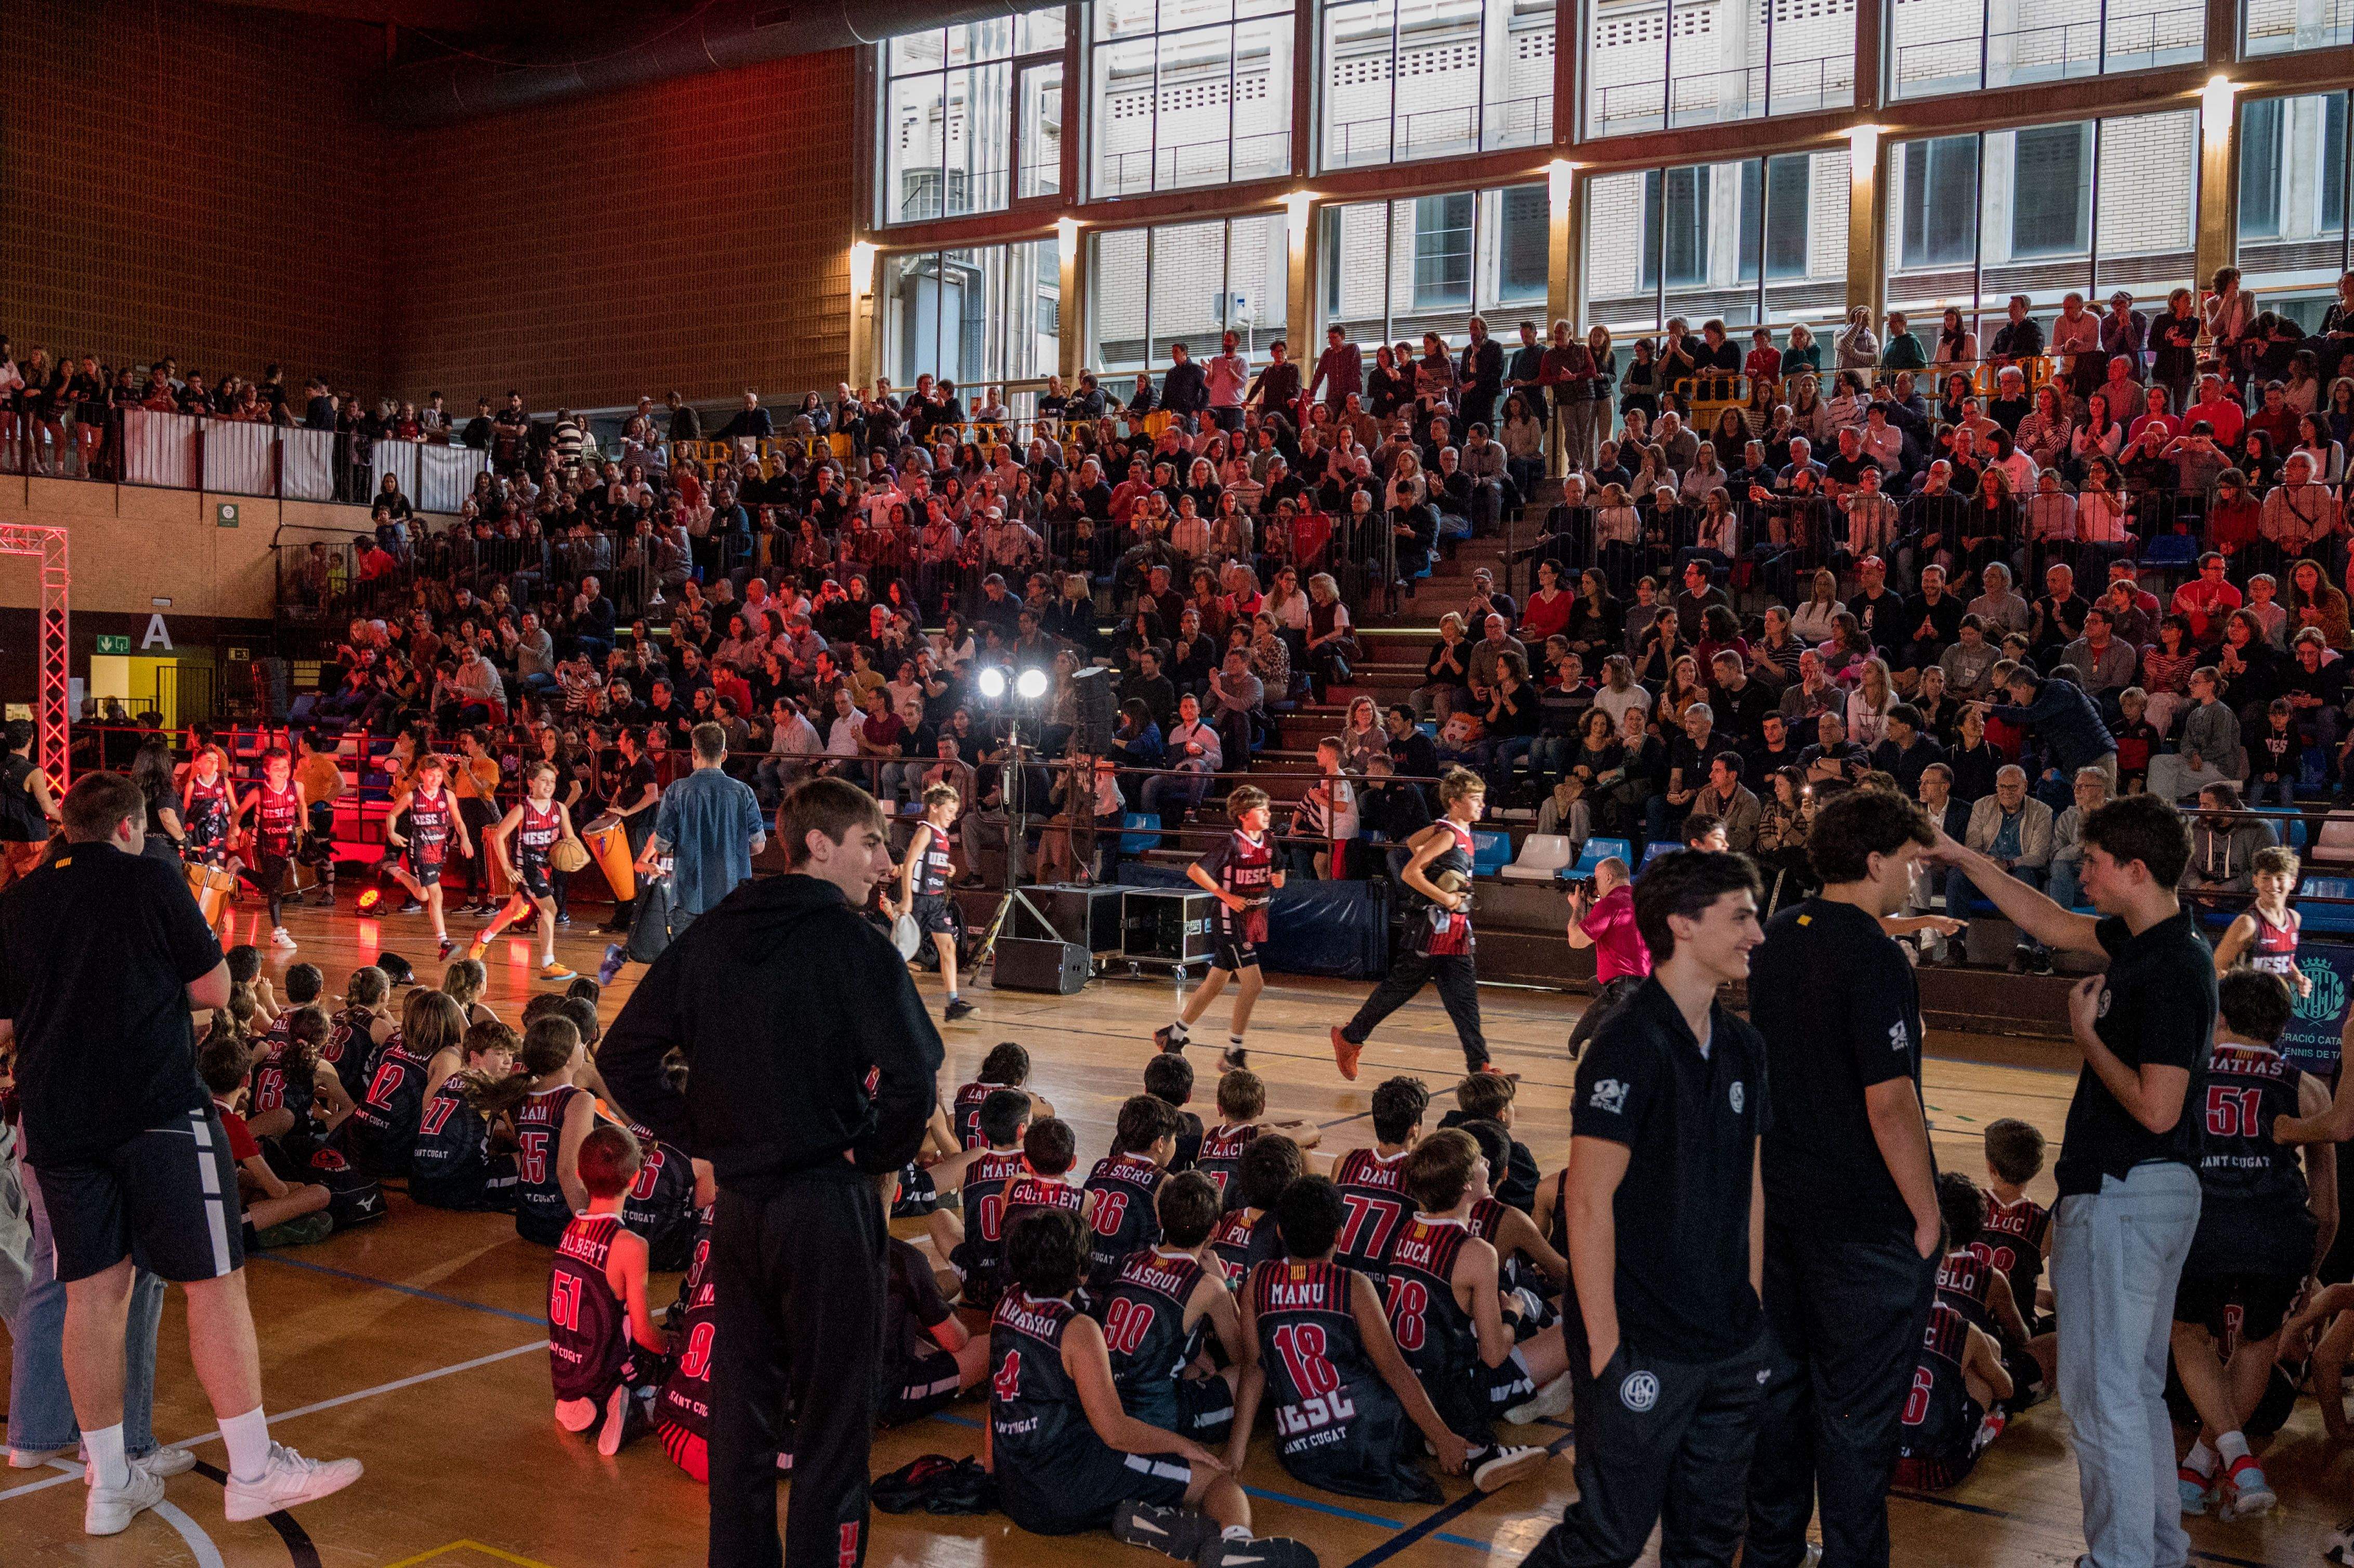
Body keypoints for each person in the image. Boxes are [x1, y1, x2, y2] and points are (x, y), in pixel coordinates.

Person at [0, 772, 361, 1535]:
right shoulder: (151, 882)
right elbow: (214, 989)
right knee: (215, 1281)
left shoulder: (23, 897)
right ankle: (256, 1472)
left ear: (69, 827)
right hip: (155, 1109)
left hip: (57, 1119)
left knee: (91, 1295)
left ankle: (108, 1484)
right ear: (131, 829)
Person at [599, 777, 944, 1568]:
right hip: (827, 1205)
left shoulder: (716, 930)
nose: (885, 863)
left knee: (742, 1424)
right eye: (870, 844)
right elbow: (916, 1076)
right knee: (833, 1423)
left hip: (743, 1214)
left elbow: (624, 1054)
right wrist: (876, 1153)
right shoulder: (853, 943)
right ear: (819, 845)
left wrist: (709, 1136)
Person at [1928, 793, 2212, 1568]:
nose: (2080, 873)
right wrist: (1962, 856)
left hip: (2128, 1192)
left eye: (2093, 862)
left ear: (2136, 869)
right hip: (2141, 1195)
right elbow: (2051, 924)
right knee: (2133, 1391)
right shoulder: (2152, 943)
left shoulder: (2176, 969)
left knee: (2102, 1397)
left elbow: (2158, 1109)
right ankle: (2155, 1550)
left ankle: (2120, 1559)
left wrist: (2086, 1036)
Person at [1519, 850, 1769, 1568]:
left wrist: (1750, 1308)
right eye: (1741, 916)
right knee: (1608, 1539)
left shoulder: (1746, 1048)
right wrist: (1602, 1348)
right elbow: (1588, 1202)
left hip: (1727, 1346)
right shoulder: (1627, 1043)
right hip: (1642, 1344)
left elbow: (1750, 1186)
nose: (1757, 933)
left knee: (1710, 1540)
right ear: (1682, 925)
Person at [1745, 790, 1944, 1568]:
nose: (1912, 877)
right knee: (1858, 1420)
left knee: (1781, 1403)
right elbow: (1890, 1102)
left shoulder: (1775, 939)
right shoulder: (1873, 954)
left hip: (1783, 1211)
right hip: (1861, 1226)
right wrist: (1927, 1217)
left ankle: (1772, 1552)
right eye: (1906, 860)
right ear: (1872, 862)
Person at [985, 1208, 1312, 1566]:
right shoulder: (1078, 1330)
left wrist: (992, 1470)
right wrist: (1185, 1446)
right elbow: (1116, 1433)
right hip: (1062, 1489)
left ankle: (1146, 1517)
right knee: (1217, 1482)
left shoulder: (1005, 1305)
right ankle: (1237, 1545)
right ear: (1081, 1270)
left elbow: (996, 1401)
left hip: (1014, 1488)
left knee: (1133, 1472)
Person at [2172, 967, 2329, 1520]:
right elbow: (2326, 1207)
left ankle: (2230, 1460)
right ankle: (2205, 1466)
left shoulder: (2186, 1073)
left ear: (2220, 1017)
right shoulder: (2307, 1087)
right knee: (2257, 1344)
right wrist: (2309, 1270)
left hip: (2202, 1226)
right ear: (2282, 1027)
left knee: (2186, 1334)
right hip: (2279, 1232)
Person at [1230, 1174, 1473, 1502]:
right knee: (1442, 1371)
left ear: (1279, 1232)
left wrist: (1235, 1452)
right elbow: (1395, 1370)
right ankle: (1468, 1449)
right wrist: (1443, 1438)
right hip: (1366, 1442)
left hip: (1300, 1451)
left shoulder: (1259, 1279)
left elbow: (1253, 1368)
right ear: (1340, 1237)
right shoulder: (1353, 1286)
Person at [1332, 768, 1493, 1080]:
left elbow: (1413, 843)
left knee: (1465, 1002)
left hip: (1455, 933)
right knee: (1399, 990)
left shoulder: (1446, 830)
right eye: (1475, 799)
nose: (1481, 805)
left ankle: (1480, 1067)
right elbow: (1409, 873)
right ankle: (1350, 1038)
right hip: (1432, 931)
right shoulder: (1448, 835)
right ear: (1455, 802)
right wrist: (1445, 897)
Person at [602, 721, 765, 986]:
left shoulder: (678, 791)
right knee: (727, 976)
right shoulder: (744, 792)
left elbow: (664, 844)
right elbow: (758, 845)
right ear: (724, 755)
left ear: (694, 753)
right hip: (733, 898)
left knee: (689, 975)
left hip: (689, 898)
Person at [549, 1123, 672, 1457]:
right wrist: (672, 1347)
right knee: (679, 1375)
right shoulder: (631, 1245)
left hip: (567, 1375)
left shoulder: (568, 1231)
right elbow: (646, 1335)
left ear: (580, 1174)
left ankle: (577, 1404)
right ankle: (635, 1411)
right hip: (606, 1371)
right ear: (635, 1180)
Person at [1157, 785, 1282, 1072]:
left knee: (1215, 984)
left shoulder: (1270, 840)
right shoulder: (1232, 844)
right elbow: (1195, 870)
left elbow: (1280, 867)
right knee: (1254, 984)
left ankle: (1173, 1036)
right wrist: (1226, 895)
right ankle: (1233, 1051)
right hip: (1230, 922)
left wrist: (1279, 878)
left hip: (1253, 919)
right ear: (1243, 815)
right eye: (1261, 809)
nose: (1268, 813)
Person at [469, 760, 581, 982]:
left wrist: (579, 855)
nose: (549, 785)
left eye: (553, 781)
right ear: (531, 783)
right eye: (544, 780)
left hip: (546, 867)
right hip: (528, 866)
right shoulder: (523, 809)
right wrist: (507, 867)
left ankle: (484, 937)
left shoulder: (561, 810)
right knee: (549, 908)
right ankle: (548, 964)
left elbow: (571, 839)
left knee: (515, 908)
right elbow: (499, 836)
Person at [884, 783, 973, 1022]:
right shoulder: (925, 831)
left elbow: (929, 864)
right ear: (934, 808)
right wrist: (907, 900)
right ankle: (879, 1000)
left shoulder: (943, 835)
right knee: (900, 953)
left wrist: (947, 868)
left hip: (936, 902)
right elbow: (910, 864)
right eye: (950, 811)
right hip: (920, 900)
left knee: (949, 947)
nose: (953, 817)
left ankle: (953, 1004)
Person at [1329, 1075, 1430, 1278]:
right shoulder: (1419, 1172)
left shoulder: (1346, 1161)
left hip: (1339, 1281)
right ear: (1415, 1128)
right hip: (1386, 1288)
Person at [383, 751, 472, 963]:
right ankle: (444, 942)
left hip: (439, 850)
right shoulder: (413, 796)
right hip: (421, 849)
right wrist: (392, 833)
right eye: (432, 775)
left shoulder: (448, 796)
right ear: (422, 774)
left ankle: (393, 868)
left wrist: (465, 838)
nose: (436, 780)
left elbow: (458, 822)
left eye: (439, 776)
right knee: (436, 894)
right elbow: (392, 815)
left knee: (423, 896)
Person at [1563, 857, 1648, 1059]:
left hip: (1625, 989)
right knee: (1595, 983)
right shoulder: (1642, 900)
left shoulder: (1610, 905)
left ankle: (1620, 1039)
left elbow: (1576, 941)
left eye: (1597, 879)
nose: (1595, 884)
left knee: (1576, 1045)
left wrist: (1578, 908)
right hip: (1649, 986)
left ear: (1609, 877)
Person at [232, 746, 306, 951]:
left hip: (287, 842)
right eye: (277, 768)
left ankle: (239, 870)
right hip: (265, 842)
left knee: (274, 886)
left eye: (285, 767)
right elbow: (238, 813)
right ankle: (278, 931)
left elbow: (302, 806)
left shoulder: (297, 787)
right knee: (274, 887)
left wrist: (305, 831)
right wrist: (232, 833)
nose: (282, 771)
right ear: (267, 771)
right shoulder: (259, 793)